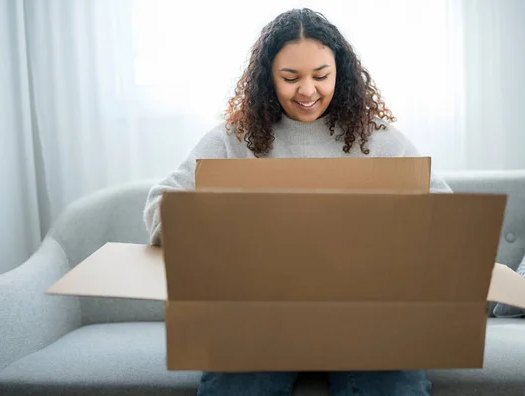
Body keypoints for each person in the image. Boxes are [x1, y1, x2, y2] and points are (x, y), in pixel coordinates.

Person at [144, 8, 452, 396]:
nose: (308, 91)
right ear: (268, 79)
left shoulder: (377, 138)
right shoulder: (234, 138)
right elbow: (161, 203)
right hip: (259, 321)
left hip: (364, 320)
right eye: (291, 78)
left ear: (341, 73)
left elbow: (445, 209)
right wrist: (212, 225)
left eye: (321, 76)